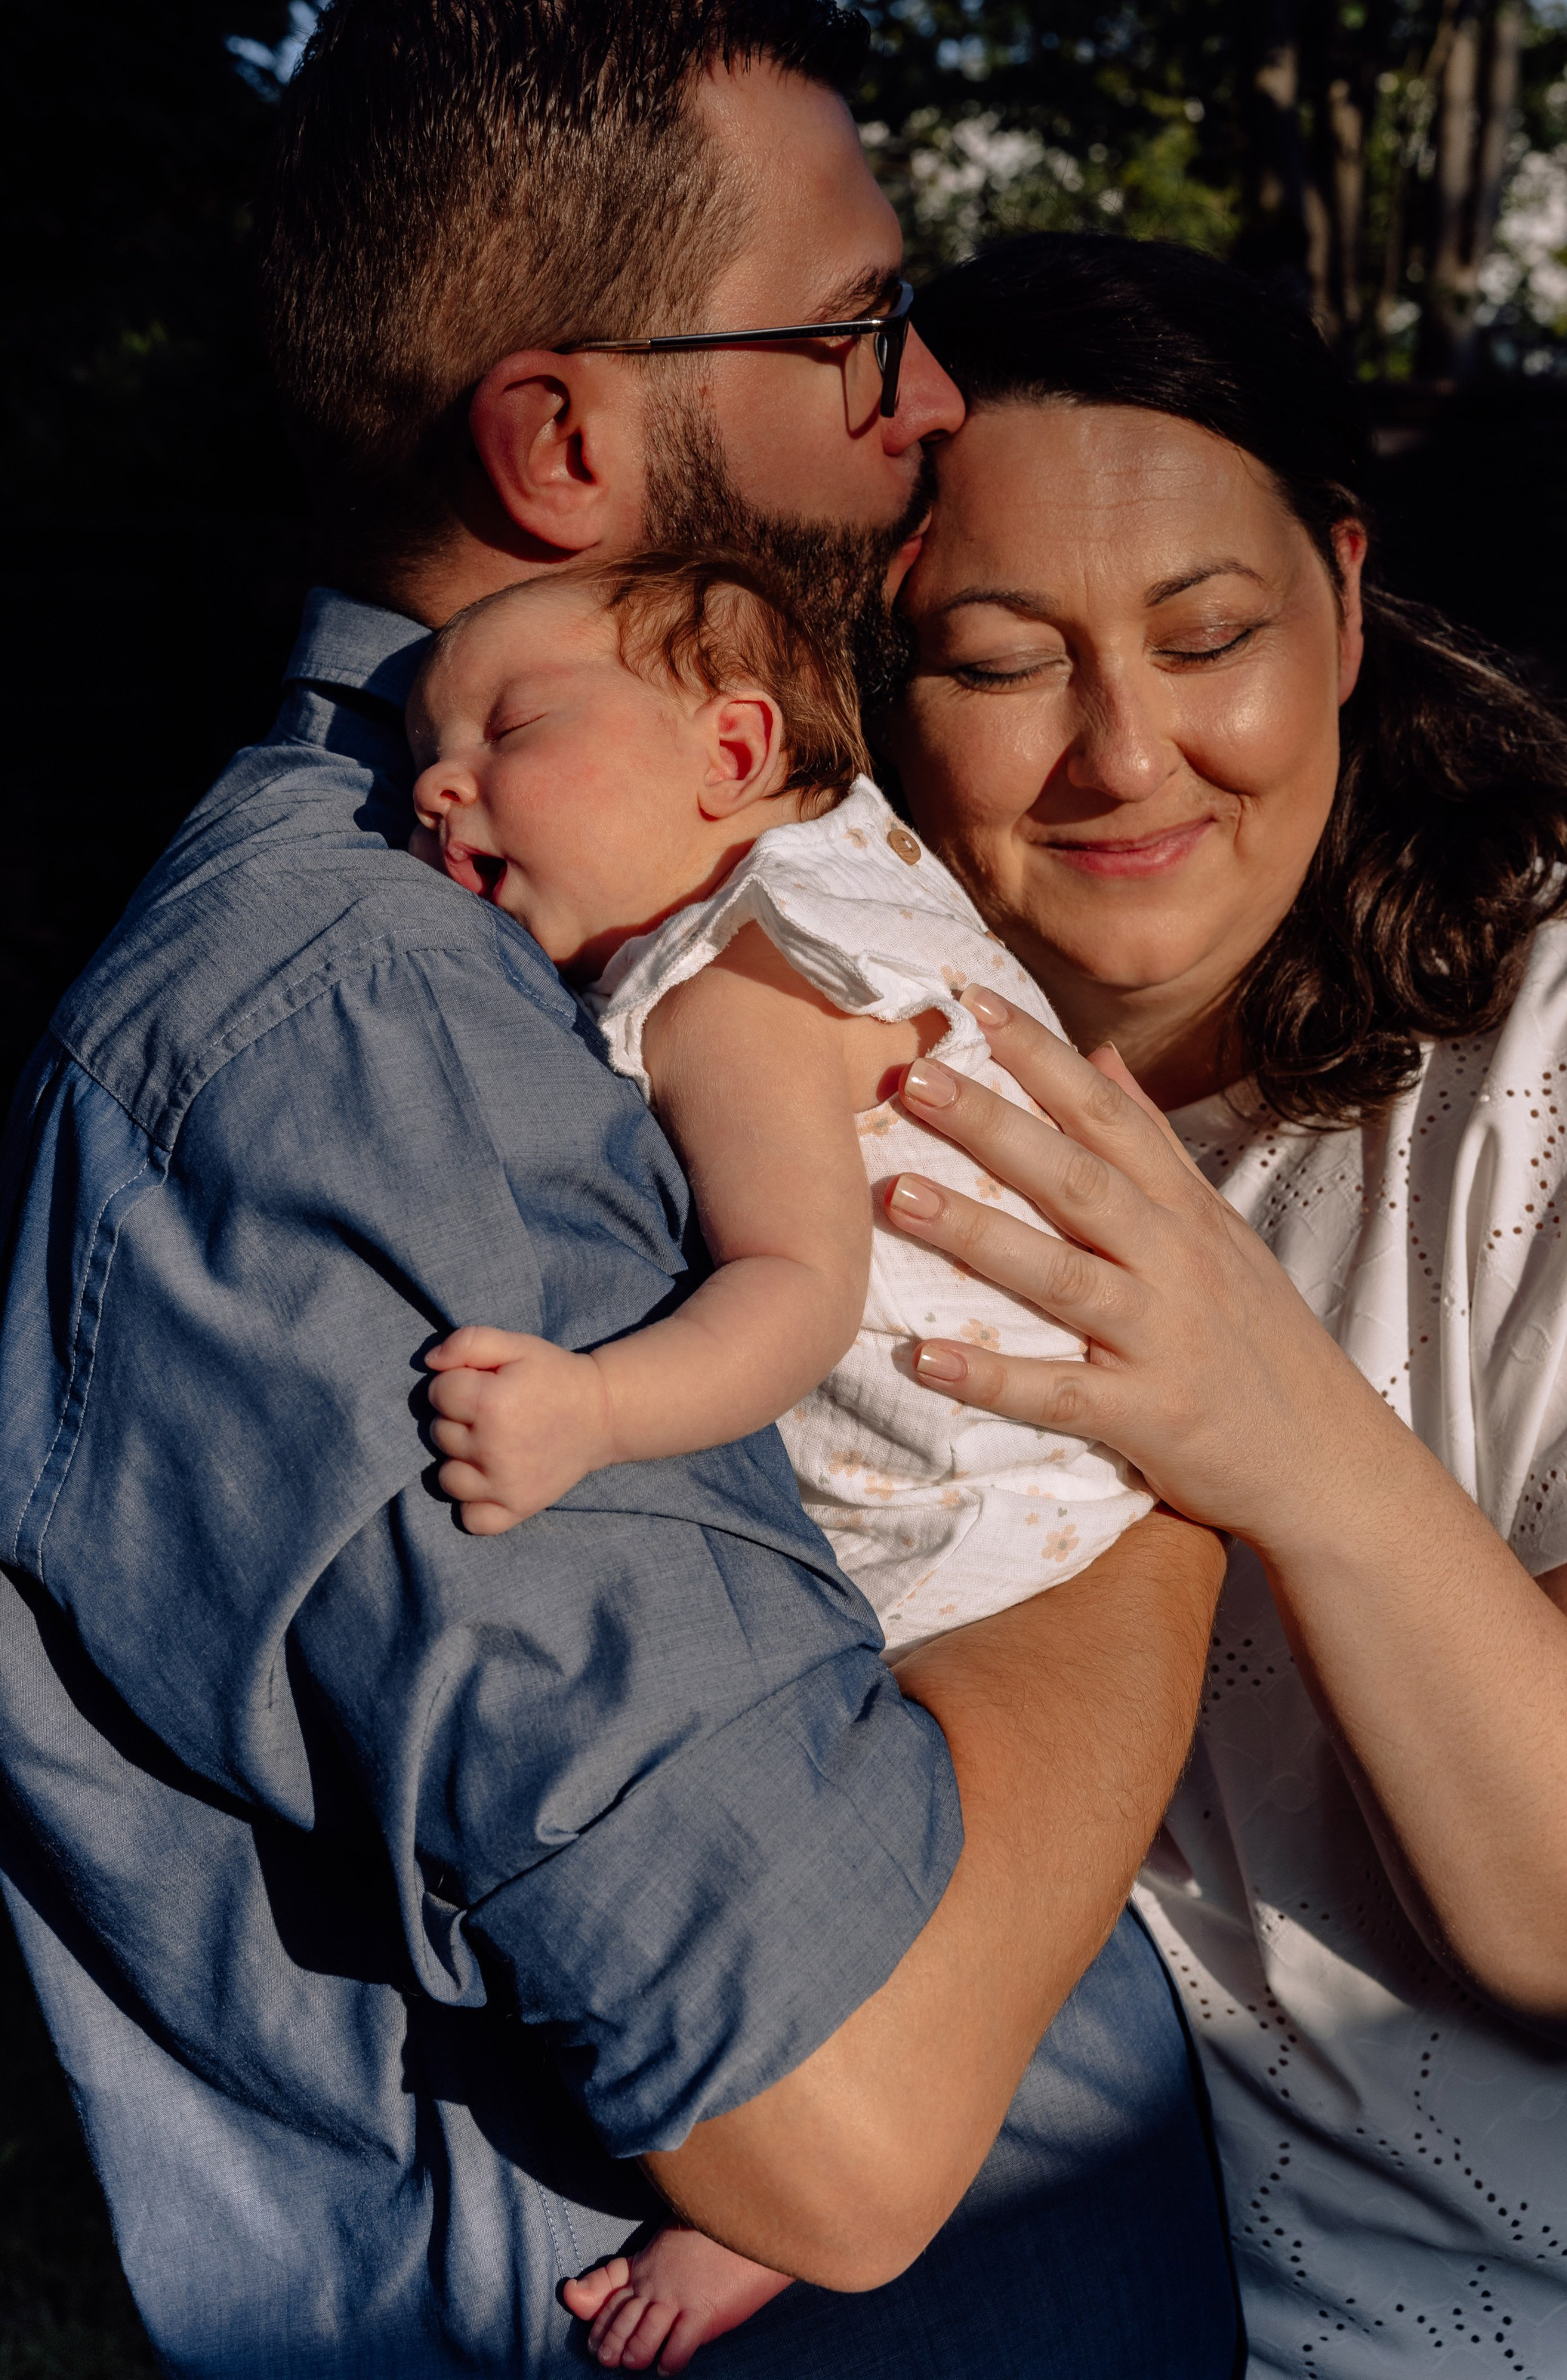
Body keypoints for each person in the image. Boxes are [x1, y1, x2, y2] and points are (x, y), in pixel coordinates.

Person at [0, 0, 1241, 2377]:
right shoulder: (379, 1024)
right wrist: (1197, 1465)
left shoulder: (634, 896)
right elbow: (845, 2129)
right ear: (564, 444)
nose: (935, 401)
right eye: (858, 331)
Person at [856, 231, 1567, 2380]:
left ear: (1344, 604)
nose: (1124, 752)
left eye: (1209, 634)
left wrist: (1279, 1423)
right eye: (999, 658)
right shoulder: (836, 1106)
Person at [406, 551, 1152, 2368]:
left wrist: (590, 1409)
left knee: (913, 1902)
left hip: (973, 1517)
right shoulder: (861, 866)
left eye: (510, 729)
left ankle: (777, 2222)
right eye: (429, 749)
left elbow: (796, 1293)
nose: (437, 782)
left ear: (732, 748)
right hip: (1074, 1468)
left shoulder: (731, 987)